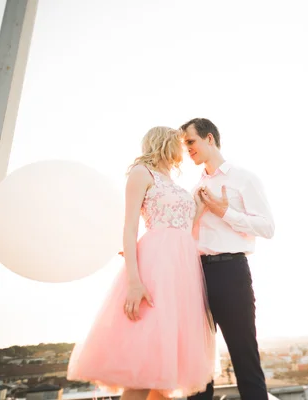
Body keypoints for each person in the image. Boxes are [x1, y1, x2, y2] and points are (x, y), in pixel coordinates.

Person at [67, 126, 218, 400]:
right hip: (155, 265)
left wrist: (198, 206)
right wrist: (134, 282)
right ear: (165, 143)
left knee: (164, 371)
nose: (183, 150)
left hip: (182, 271)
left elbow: (184, 227)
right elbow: (129, 229)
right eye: (179, 144)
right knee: (145, 361)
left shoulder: (171, 180)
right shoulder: (141, 173)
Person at [181, 118, 275, 400]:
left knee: (244, 355)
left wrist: (225, 212)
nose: (187, 149)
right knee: (197, 362)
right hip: (195, 274)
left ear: (209, 139)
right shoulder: (195, 187)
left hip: (231, 272)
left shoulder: (244, 178)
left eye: (190, 142)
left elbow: (268, 227)